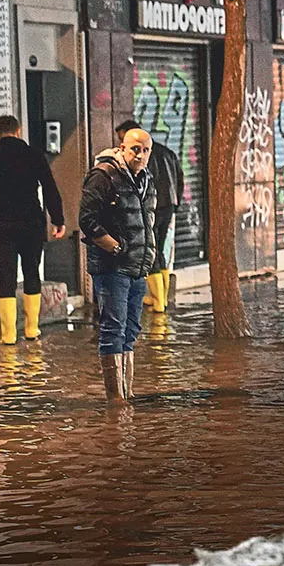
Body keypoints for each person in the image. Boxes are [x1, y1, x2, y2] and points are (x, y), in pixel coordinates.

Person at [79, 126, 157, 401]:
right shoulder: (103, 175)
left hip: (138, 265)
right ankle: (116, 399)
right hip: (112, 266)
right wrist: (115, 248)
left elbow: (147, 220)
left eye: (146, 150)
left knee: (131, 329)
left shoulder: (145, 178)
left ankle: (127, 392)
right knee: (113, 327)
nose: (141, 154)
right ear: (122, 147)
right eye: (135, 148)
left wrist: (147, 254)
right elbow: (87, 220)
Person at [0, 115, 65, 345]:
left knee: (7, 277)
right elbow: (50, 188)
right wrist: (58, 219)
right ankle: (31, 329)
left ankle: (8, 335)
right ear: (18, 131)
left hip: (1, 225)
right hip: (31, 224)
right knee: (32, 273)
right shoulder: (34, 155)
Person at [115, 121, 183, 313]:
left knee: (149, 251)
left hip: (151, 207)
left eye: (122, 138)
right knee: (159, 249)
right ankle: (162, 298)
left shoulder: (141, 156)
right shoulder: (167, 152)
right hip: (169, 204)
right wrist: (175, 204)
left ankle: (159, 302)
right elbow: (180, 178)